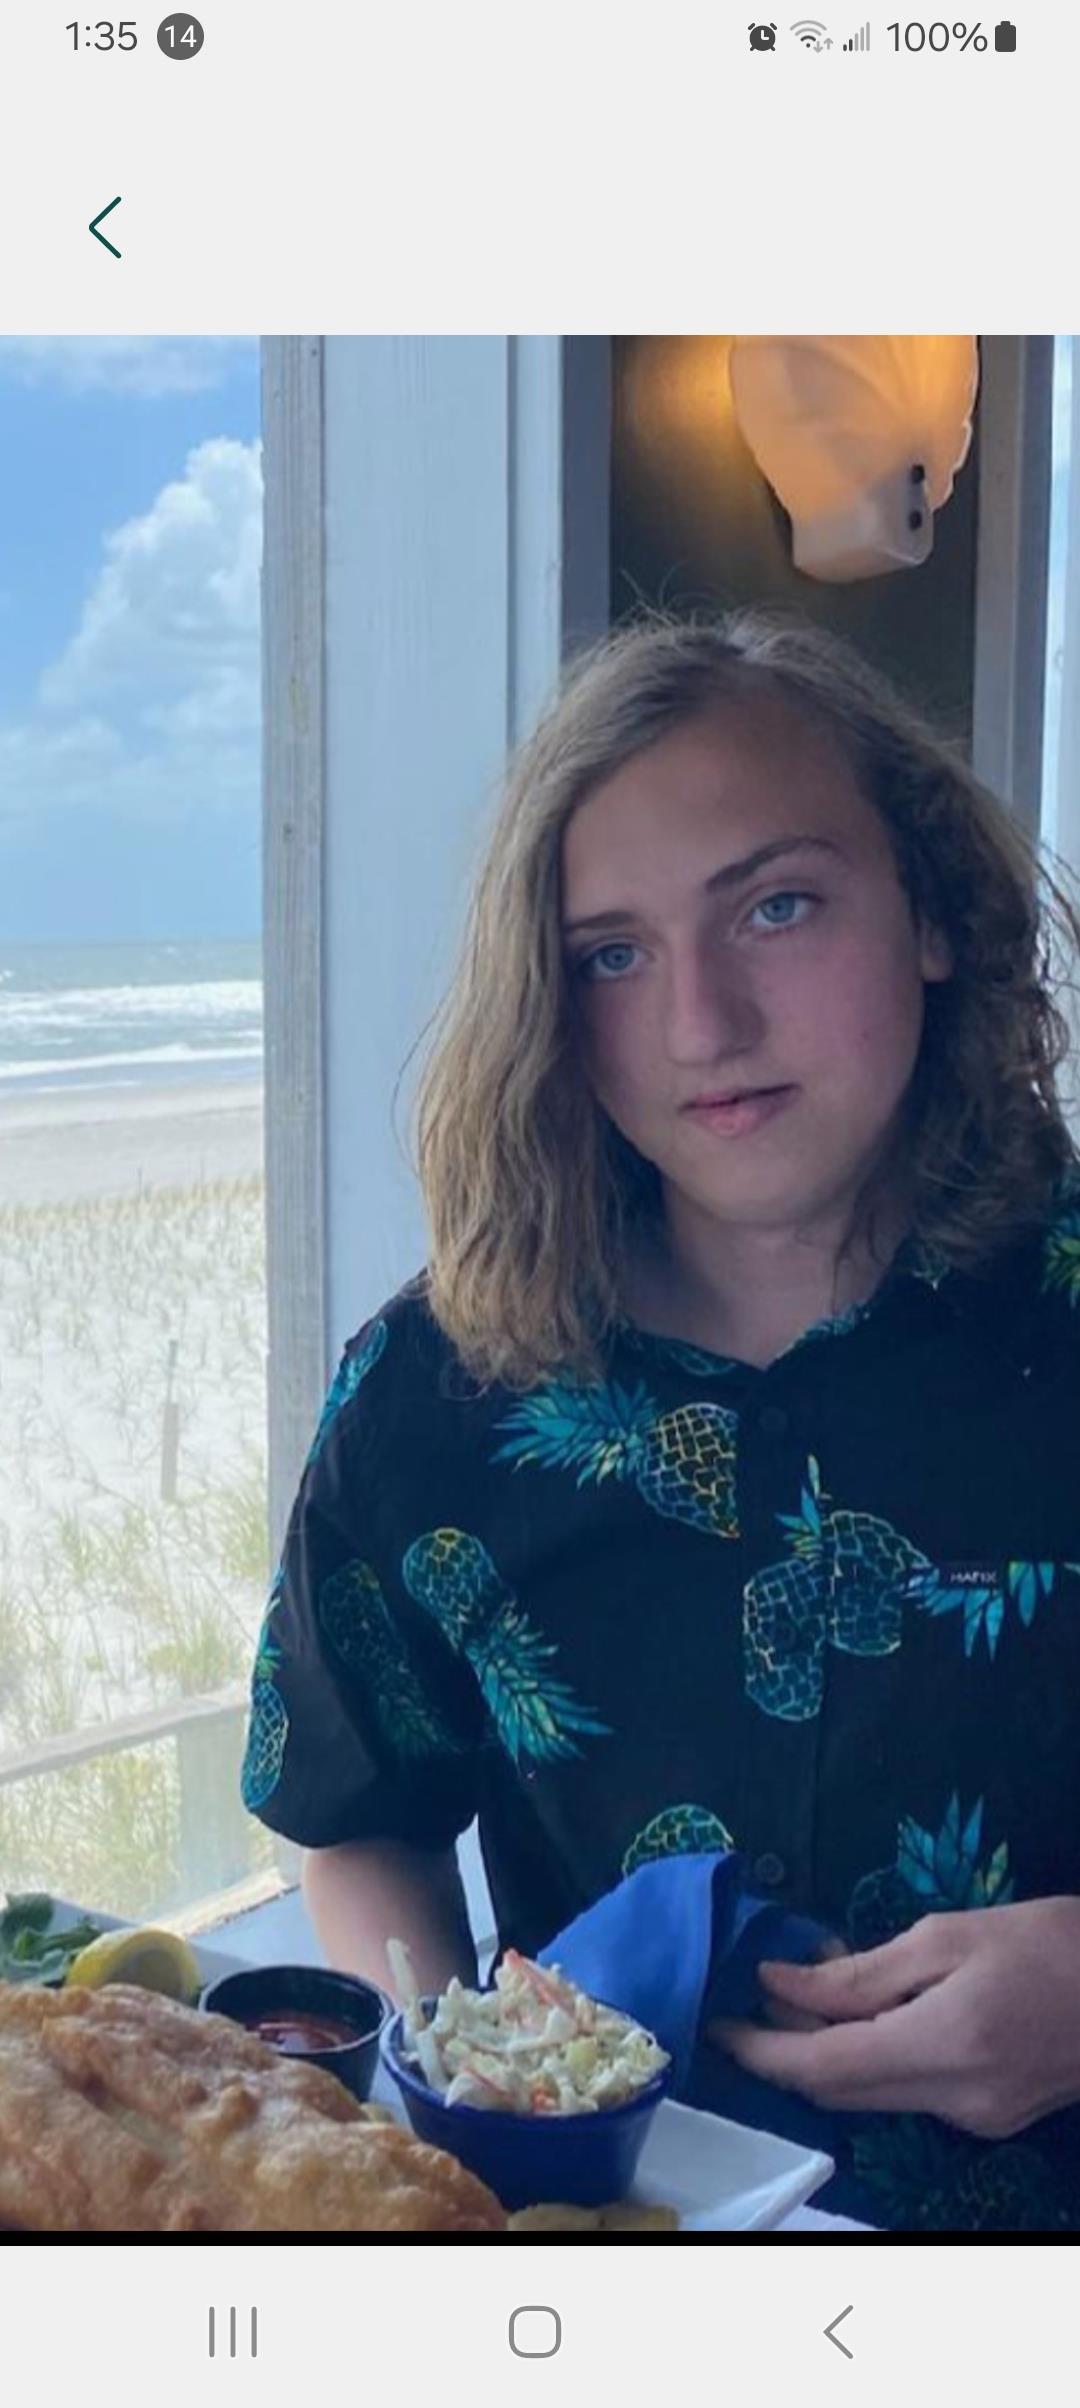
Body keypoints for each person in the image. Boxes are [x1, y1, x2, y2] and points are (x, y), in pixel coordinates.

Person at [243, 608, 1080, 2231]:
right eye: (611, 954)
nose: (700, 1024)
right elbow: (358, 1825)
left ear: (930, 910)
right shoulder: (435, 1394)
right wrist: (460, 2068)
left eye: (777, 906)